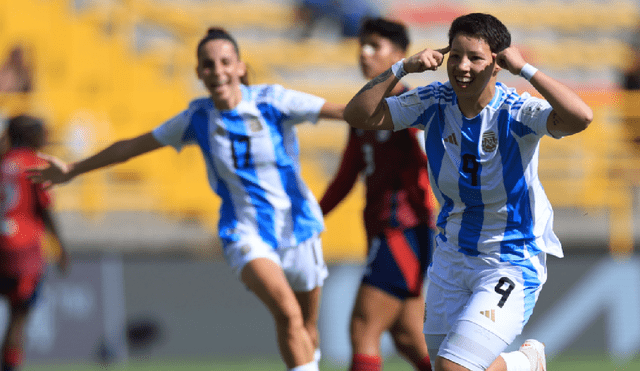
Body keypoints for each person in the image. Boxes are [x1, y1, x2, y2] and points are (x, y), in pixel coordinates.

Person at [27, 27, 345, 371]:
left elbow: (347, 112)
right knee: (287, 311)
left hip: (298, 226)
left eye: (225, 62)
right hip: (245, 232)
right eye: (208, 65)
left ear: (240, 67)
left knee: (305, 327)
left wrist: (396, 104)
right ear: (199, 73)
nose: (217, 70)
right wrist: (74, 168)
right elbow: (132, 147)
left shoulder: (274, 101)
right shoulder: (196, 119)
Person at [342, 12, 592, 371]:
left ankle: (525, 361)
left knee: (452, 367)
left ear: (496, 64)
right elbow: (359, 115)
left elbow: (580, 117)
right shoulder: (434, 101)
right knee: (448, 367)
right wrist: (401, 68)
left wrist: (526, 69)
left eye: (474, 57)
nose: (461, 66)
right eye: (455, 55)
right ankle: (524, 364)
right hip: (451, 256)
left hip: (509, 259)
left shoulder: (515, 110)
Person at [318, 18, 434, 371]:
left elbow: (432, 164)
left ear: (399, 55)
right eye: (362, 45)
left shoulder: (414, 105)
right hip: (383, 229)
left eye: (375, 46)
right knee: (408, 336)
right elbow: (346, 176)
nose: (364, 53)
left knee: (363, 327)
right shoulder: (362, 113)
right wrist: (311, 216)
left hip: (405, 230)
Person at [0, 115, 69, 371]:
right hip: (23, 249)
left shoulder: (3, 160)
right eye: (42, 133)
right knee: (19, 316)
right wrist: (60, 245)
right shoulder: (33, 164)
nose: (46, 139)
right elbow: (45, 209)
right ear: (30, 136)